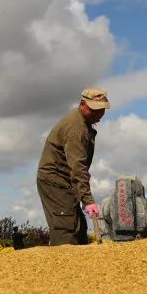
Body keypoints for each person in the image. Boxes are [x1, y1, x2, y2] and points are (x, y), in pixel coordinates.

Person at [36, 87, 110, 246]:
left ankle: (81, 266)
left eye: (102, 110)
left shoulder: (84, 122)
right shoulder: (76, 128)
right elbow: (78, 168)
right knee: (67, 225)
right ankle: (62, 266)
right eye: (94, 110)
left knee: (79, 225)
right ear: (82, 104)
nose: (99, 114)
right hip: (54, 179)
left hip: (65, 180)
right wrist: (88, 200)